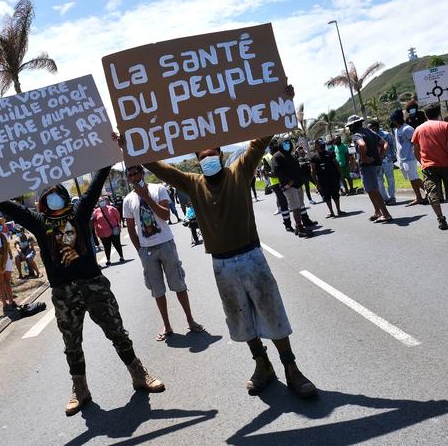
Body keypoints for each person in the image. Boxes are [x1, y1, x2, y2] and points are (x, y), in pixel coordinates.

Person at [133, 127, 318, 399]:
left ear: (220, 154)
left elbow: (260, 140)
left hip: (252, 257)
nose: (208, 159)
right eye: (203, 157)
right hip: (222, 266)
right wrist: (130, 147)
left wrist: (278, 102)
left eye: (212, 154)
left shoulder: (239, 171)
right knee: (241, 318)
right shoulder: (192, 183)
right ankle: (262, 365)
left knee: (273, 314)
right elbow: (160, 168)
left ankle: (291, 368)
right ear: (198, 161)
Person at [0, 167, 164, 416]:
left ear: (65, 196)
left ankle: (139, 375)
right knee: (72, 344)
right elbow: (8, 207)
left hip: (93, 286)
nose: (53, 199)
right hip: (63, 294)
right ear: (41, 203)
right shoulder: (38, 223)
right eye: (47, 197)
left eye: (57, 194)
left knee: (117, 332)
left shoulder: (79, 212)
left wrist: (105, 159)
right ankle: (80, 390)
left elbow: (94, 186)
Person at [123, 165, 204, 342]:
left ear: (142, 173)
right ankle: (167, 325)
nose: (133, 177)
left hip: (166, 244)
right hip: (147, 251)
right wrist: (140, 250)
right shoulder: (128, 200)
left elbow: (166, 215)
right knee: (157, 290)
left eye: (135, 173)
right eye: (129, 175)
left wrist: (146, 197)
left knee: (179, 285)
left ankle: (190, 320)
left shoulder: (157, 189)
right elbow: (130, 229)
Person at [412, 103, 448, 230]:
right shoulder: (445, 125)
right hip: (446, 163)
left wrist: (422, 162)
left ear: (425, 114)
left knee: (432, 192)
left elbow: (416, 149)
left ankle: (441, 218)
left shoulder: (418, 129)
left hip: (428, 166)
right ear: (439, 113)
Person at [345, 115, 393, 223]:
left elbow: (362, 145)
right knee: (370, 190)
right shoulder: (370, 132)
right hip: (376, 164)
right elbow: (385, 144)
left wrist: (365, 158)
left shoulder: (357, 135)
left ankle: (386, 214)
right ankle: (377, 212)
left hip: (367, 166)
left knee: (374, 190)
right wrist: (381, 155)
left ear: (352, 126)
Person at [271, 139, 318, 238]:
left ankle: (301, 225)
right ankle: (300, 228)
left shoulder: (291, 155)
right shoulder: (277, 156)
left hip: (298, 184)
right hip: (289, 186)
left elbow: (296, 168)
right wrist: (288, 181)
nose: (287, 145)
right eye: (285, 144)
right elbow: (277, 171)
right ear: (280, 145)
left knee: (300, 205)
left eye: (288, 143)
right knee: (295, 208)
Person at [389, 109, 425, 206]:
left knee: (414, 178)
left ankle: (432, 192)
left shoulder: (407, 129)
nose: (391, 122)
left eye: (392, 120)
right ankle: (419, 197)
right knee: (411, 179)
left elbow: (416, 143)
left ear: (396, 120)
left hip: (410, 158)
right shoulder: (397, 130)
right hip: (403, 158)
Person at [262, 141, 293, 231]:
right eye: (271, 145)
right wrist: (278, 174)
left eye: (274, 144)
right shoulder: (266, 157)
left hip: (287, 180)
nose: (272, 147)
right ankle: (287, 224)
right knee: (283, 203)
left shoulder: (282, 153)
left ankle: (301, 221)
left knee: (293, 201)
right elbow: (267, 172)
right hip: (276, 183)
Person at [310, 139, 345, 218]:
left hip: (333, 178)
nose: (321, 146)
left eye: (322, 144)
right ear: (316, 146)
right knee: (326, 196)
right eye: (318, 144)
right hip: (322, 180)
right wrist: (316, 183)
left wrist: (340, 175)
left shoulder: (330, 153)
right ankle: (331, 212)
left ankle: (338, 210)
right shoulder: (313, 157)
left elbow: (337, 165)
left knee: (336, 194)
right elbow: (312, 171)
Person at [369, 119, 397, 205]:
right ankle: (385, 198)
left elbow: (392, 146)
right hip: (376, 162)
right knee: (379, 181)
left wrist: (392, 158)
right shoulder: (370, 137)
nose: (369, 129)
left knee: (390, 179)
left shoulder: (386, 134)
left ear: (375, 127)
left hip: (387, 161)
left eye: (370, 128)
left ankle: (392, 197)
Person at [91, 197, 125, 266]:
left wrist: (118, 225)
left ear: (105, 201)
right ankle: (108, 260)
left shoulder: (111, 209)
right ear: (98, 203)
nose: (101, 202)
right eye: (100, 201)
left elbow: (118, 217)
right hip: (102, 233)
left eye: (102, 201)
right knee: (106, 246)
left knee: (117, 244)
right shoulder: (96, 211)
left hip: (113, 230)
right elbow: (93, 221)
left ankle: (121, 256)